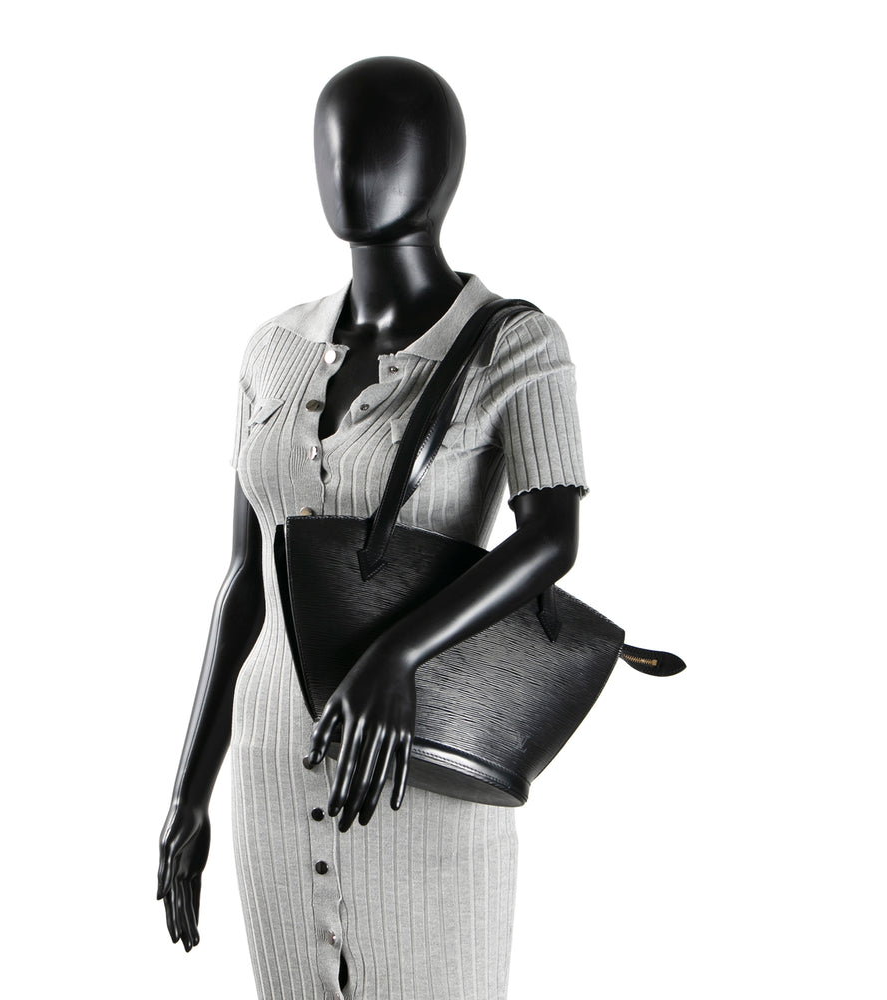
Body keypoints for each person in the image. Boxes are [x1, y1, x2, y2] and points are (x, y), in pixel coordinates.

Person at [158, 55, 589, 1000]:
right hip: (272, 759)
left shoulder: (516, 345)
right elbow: (244, 581)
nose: (352, 170)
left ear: (442, 168)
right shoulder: (272, 350)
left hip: (419, 758)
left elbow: (551, 538)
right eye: (335, 148)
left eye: (382, 148)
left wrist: (398, 653)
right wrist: (190, 790)